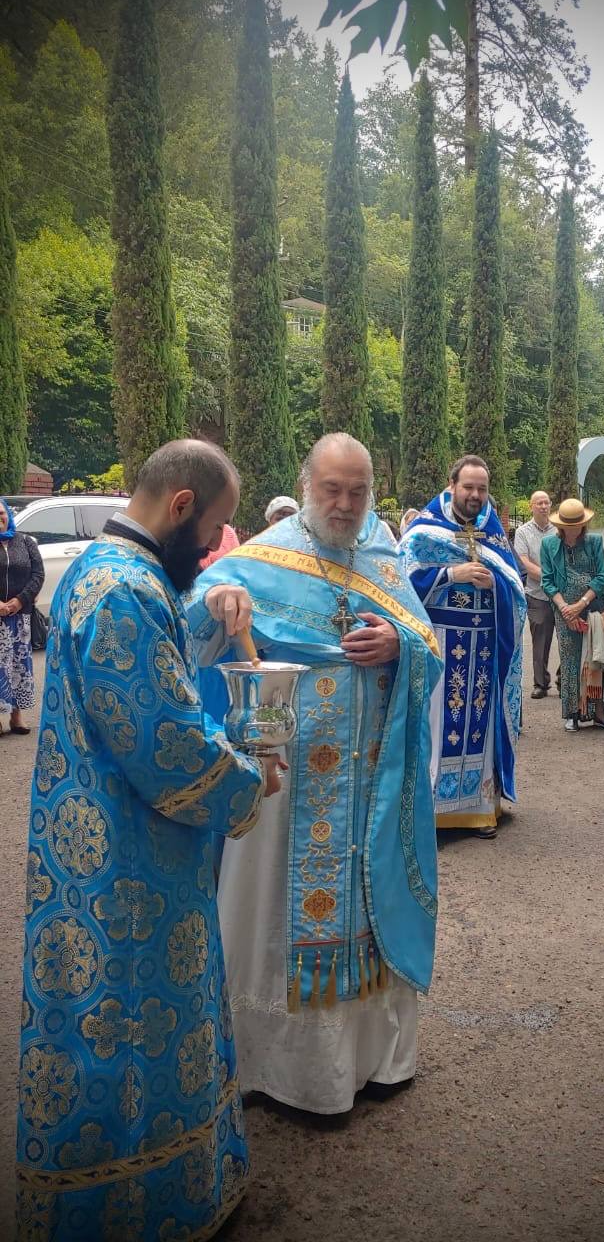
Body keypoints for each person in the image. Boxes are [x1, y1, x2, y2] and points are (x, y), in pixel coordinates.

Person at [16, 441, 281, 1239]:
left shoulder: (104, 569)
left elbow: (155, 667)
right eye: (212, 530)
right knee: (132, 1029)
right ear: (180, 506)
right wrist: (247, 779)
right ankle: (138, 1210)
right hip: (128, 865)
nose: (211, 548)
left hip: (94, 843)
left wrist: (214, 607)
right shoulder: (125, 591)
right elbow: (164, 739)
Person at [185, 433, 442, 1115]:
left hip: (372, 781)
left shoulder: (382, 555)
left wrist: (399, 644)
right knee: (272, 908)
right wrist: (216, 602)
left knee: (367, 899)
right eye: (332, 489)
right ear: (306, 486)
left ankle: (373, 1060)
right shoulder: (260, 558)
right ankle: (275, 1070)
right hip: (289, 778)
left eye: (358, 491)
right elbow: (187, 629)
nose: (345, 504)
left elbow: (426, 642)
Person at [400, 455, 526, 838]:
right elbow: (399, 584)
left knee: (481, 728)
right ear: (452, 485)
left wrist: (495, 585)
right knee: (438, 726)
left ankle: (480, 810)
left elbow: (515, 590)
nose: (475, 495)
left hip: (483, 646)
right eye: (468, 487)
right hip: (441, 643)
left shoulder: (493, 532)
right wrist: (450, 573)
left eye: (482, 489)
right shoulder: (425, 530)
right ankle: (433, 814)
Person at [540, 498, 604, 733]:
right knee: (571, 660)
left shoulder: (594, 541)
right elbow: (547, 581)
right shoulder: (549, 545)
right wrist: (567, 610)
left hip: (595, 608)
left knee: (598, 658)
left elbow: (602, 577)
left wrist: (581, 603)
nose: (574, 529)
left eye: (577, 524)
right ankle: (573, 712)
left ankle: (600, 713)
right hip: (565, 612)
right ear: (560, 525)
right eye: (569, 525)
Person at [0, 497, 44, 735]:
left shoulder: (26, 542)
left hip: (20, 616)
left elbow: (38, 574)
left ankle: (16, 717)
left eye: (1, 513)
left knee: (19, 665)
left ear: (8, 515)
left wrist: (20, 600)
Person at [514, 490, 557, 699]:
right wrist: (550, 577)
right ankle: (541, 683)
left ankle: (565, 679)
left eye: (546, 502)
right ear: (531, 506)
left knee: (568, 640)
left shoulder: (558, 529)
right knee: (540, 641)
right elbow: (524, 563)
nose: (543, 506)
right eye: (539, 503)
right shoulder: (522, 532)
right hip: (537, 594)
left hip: (562, 594)